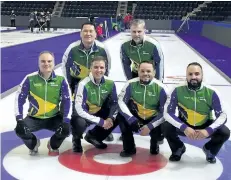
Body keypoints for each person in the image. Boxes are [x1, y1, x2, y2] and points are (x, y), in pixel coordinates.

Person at [164, 62, 230, 163]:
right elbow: (168, 113)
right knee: (165, 126)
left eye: (197, 74)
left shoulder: (212, 92)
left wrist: (208, 130)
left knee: (224, 132)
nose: (193, 77)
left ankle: (210, 149)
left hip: (204, 125)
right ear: (186, 75)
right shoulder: (177, 90)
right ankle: (178, 148)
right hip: (184, 125)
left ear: (202, 75)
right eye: (190, 74)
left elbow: (222, 115)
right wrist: (184, 127)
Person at [62, 22, 114, 149]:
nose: (88, 33)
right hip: (78, 84)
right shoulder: (72, 48)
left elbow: (107, 67)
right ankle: (76, 139)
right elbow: (65, 67)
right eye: (85, 31)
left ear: (96, 34)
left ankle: (101, 131)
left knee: (107, 108)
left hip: (97, 83)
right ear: (80, 33)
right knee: (77, 114)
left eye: (91, 31)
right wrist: (70, 85)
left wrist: (102, 81)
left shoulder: (102, 48)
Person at [14, 51, 72, 156]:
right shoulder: (29, 79)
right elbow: (19, 99)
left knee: (68, 129)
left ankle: (53, 145)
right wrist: (19, 119)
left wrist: (66, 121)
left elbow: (67, 101)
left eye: (49, 61)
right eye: (43, 61)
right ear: (38, 63)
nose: (46, 64)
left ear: (54, 63)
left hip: (54, 117)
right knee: (20, 130)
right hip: (33, 118)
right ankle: (34, 143)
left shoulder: (61, 80)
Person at [120, 19, 164, 142]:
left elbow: (159, 64)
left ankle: (157, 132)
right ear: (130, 31)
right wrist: (130, 82)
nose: (137, 34)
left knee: (155, 103)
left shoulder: (153, 44)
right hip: (136, 73)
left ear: (144, 30)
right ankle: (129, 129)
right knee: (131, 101)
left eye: (139, 31)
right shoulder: (125, 45)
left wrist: (158, 83)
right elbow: (125, 64)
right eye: (134, 31)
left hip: (151, 74)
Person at [117, 61, 168, 157]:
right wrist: (131, 119)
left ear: (154, 72)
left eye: (148, 71)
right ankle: (129, 148)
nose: (145, 74)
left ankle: (155, 143)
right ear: (138, 72)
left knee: (166, 124)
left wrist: (150, 126)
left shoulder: (161, 88)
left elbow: (165, 112)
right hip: (136, 117)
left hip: (153, 119)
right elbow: (120, 102)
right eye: (142, 71)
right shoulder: (130, 84)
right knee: (121, 117)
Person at [73, 56, 119, 152]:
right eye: (96, 67)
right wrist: (101, 122)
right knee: (78, 122)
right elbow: (79, 109)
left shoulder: (110, 83)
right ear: (90, 68)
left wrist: (110, 118)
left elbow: (115, 103)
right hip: (85, 113)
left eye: (101, 68)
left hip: (99, 111)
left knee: (118, 114)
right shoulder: (83, 84)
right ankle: (76, 140)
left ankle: (94, 136)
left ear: (105, 69)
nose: (99, 70)